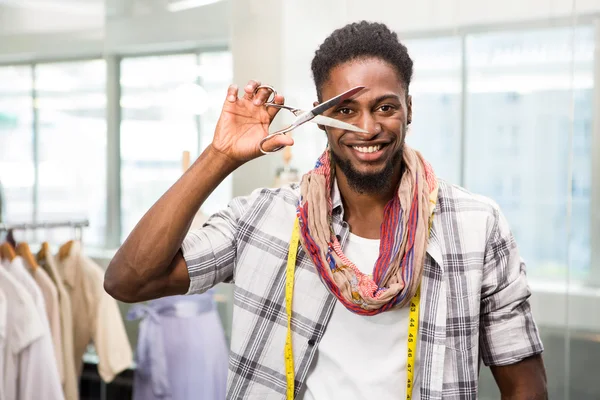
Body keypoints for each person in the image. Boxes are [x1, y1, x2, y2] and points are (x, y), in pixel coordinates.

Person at [105, 21, 547, 400]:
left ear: (410, 109)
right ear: (319, 117)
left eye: (385, 107)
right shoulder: (265, 219)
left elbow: (525, 387)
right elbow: (129, 280)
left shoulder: (475, 226)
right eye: (345, 110)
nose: (367, 127)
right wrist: (220, 156)